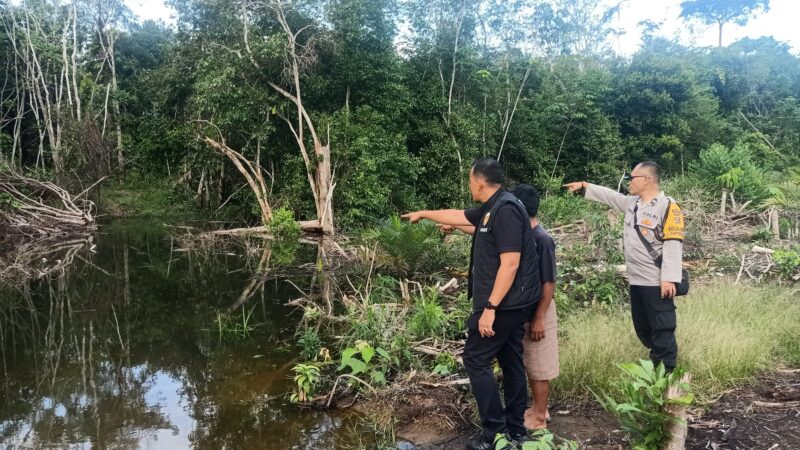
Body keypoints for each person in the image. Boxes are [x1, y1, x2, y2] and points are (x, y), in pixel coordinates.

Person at [402, 158, 541, 449]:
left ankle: (495, 433)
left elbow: (511, 263)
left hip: (502, 304)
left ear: (478, 181)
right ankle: (514, 429)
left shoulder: (504, 210)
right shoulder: (493, 207)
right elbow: (459, 215)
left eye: (469, 180)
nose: (468, 185)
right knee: (511, 359)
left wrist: (490, 308)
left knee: (476, 360)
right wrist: (424, 214)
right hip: (509, 303)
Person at [441, 184, 559, 431]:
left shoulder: (541, 239)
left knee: (538, 363)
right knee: (516, 360)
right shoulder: (516, 229)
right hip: (517, 307)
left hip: (536, 309)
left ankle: (538, 414)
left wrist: (538, 317)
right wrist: (453, 225)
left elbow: (548, 284)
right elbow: (480, 227)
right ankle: (518, 419)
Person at [563, 161, 684, 371]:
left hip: (657, 282)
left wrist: (669, 278)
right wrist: (585, 185)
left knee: (662, 329)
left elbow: (673, 244)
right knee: (644, 329)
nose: (628, 182)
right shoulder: (633, 203)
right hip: (636, 280)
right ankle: (657, 368)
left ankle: (667, 379)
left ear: (647, 179)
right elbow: (611, 197)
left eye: (632, 178)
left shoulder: (667, 206)